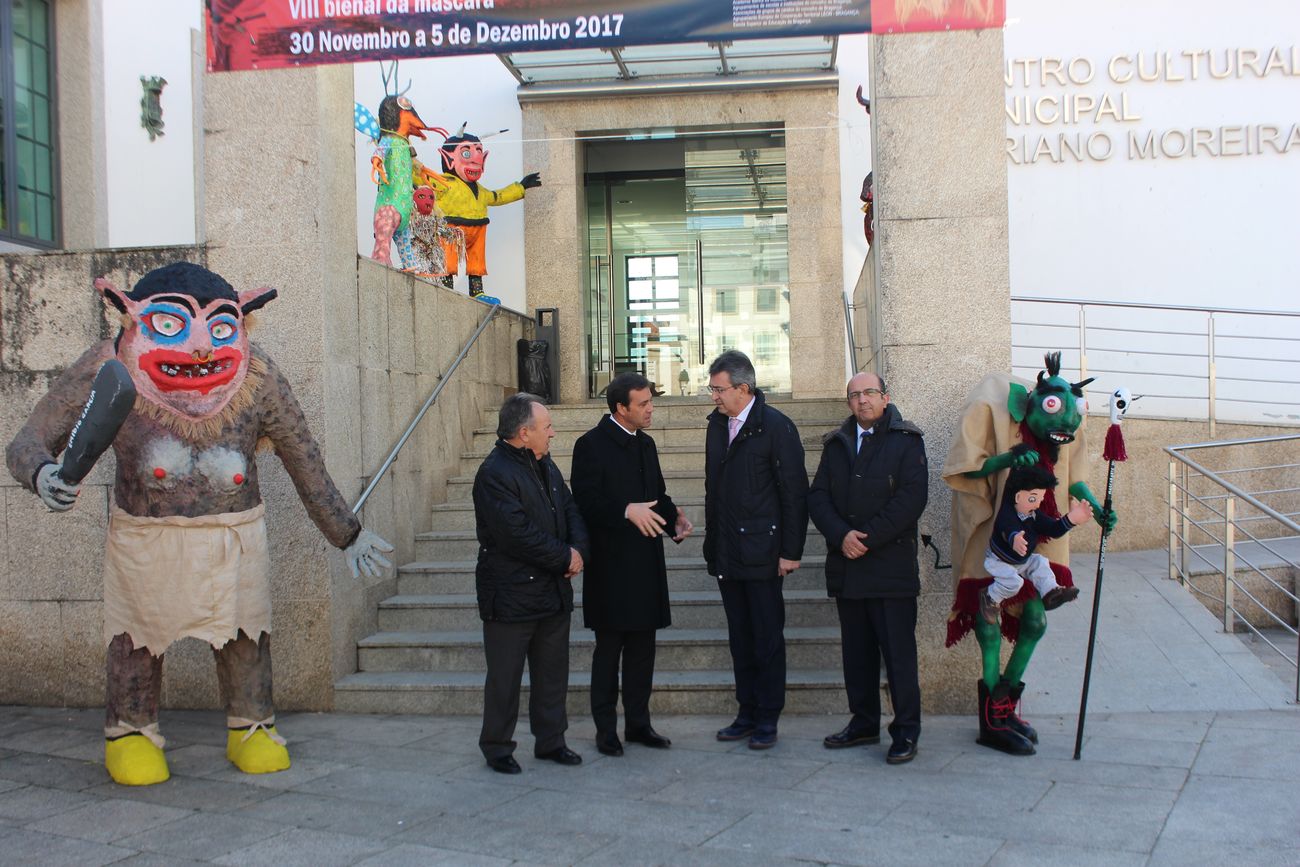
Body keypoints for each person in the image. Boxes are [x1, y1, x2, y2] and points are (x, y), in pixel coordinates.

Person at [570, 373, 693, 757]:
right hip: (610, 568)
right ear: (621, 408)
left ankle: (639, 724)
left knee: (643, 650)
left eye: (650, 401)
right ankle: (606, 730)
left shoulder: (647, 444)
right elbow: (585, 502)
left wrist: (674, 519)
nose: (651, 408)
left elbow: (656, 493)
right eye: (643, 404)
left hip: (646, 562)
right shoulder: (589, 444)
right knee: (609, 652)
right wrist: (626, 511)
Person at [807, 372, 928, 764]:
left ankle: (905, 731)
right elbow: (818, 498)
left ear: (885, 397)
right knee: (856, 655)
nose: (862, 401)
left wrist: (867, 537)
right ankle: (863, 723)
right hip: (848, 568)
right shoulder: (837, 444)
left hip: (890, 569)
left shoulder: (907, 441)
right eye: (854, 395)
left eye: (869, 393)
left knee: (898, 657)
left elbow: (912, 499)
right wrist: (842, 536)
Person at [473, 393, 590, 774]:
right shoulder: (494, 474)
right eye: (547, 427)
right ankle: (497, 748)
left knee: (552, 674)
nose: (553, 433)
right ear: (524, 433)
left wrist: (578, 550)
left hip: (551, 591)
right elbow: (516, 535)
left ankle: (551, 741)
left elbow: (570, 509)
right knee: (505, 679)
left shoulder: (546, 465)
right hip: (510, 595)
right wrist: (564, 557)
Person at [703, 350, 808, 750]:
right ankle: (746, 711)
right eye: (712, 388)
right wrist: (714, 546)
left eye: (719, 389)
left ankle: (767, 717)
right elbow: (715, 492)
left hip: (764, 552)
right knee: (740, 637)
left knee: (766, 638)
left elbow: (794, 493)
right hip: (728, 552)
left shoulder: (776, 427)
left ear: (743, 388)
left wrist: (790, 550)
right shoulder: (717, 425)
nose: (713, 396)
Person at [980, 464, 1089, 625]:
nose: (1037, 504)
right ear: (1017, 497)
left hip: (1023, 561)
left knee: (1040, 563)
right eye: (1032, 499)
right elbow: (1007, 527)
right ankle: (989, 597)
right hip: (999, 561)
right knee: (1014, 582)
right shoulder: (1007, 512)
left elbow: (1053, 528)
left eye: (1040, 499)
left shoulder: (1034, 514)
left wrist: (1071, 519)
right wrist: (1014, 538)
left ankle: (1052, 593)